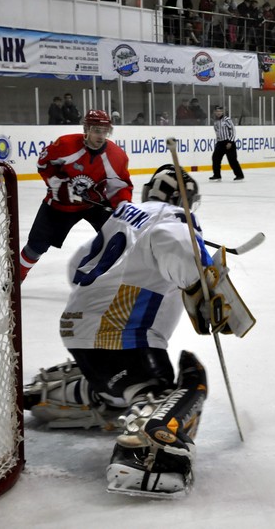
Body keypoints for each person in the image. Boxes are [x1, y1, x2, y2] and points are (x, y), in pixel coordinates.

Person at [22, 165, 252, 497]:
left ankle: (72, 393)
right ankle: (147, 451)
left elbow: (76, 267)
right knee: (176, 386)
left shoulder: (122, 216)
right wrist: (200, 284)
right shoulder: (176, 218)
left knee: (119, 386)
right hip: (122, 334)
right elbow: (168, 241)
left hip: (77, 329)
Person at [19, 110, 132, 281]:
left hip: (93, 203)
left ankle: (116, 280)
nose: (101, 136)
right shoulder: (65, 145)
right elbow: (44, 164)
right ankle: (16, 276)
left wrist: (123, 205)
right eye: (96, 130)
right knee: (35, 247)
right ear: (86, 129)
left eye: (104, 131)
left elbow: (120, 186)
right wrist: (58, 183)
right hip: (59, 205)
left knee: (118, 239)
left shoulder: (116, 156)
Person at [210, 105, 245, 181]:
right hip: (220, 143)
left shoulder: (227, 119)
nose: (218, 113)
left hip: (228, 142)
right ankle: (217, 175)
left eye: (220, 111)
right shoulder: (215, 121)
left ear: (223, 112)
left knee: (232, 160)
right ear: (215, 112)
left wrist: (230, 141)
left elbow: (232, 130)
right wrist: (218, 142)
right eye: (217, 111)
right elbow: (217, 132)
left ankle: (239, 175)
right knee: (215, 158)